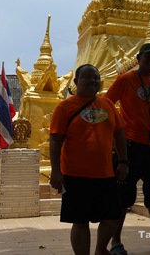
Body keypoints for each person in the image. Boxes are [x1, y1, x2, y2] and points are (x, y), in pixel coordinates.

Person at [105, 42, 150, 254]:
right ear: (138, 59)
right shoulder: (125, 79)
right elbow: (106, 104)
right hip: (130, 146)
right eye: (148, 57)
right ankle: (116, 242)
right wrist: (117, 133)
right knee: (123, 196)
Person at [49, 64, 129, 255]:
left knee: (113, 216)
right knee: (80, 221)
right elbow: (55, 140)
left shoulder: (107, 104)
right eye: (88, 77)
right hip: (75, 174)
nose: (93, 81)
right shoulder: (65, 107)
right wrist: (56, 171)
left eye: (96, 77)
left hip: (105, 173)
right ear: (76, 81)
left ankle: (101, 249)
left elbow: (119, 133)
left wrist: (124, 161)